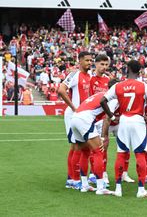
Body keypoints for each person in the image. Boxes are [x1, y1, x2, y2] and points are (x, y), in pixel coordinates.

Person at [100, 60, 147, 198]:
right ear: (139, 71)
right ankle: (141, 189)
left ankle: (118, 189)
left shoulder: (118, 86)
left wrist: (112, 117)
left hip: (124, 120)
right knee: (140, 154)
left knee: (121, 153)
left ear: (127, 69)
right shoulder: (143, 86)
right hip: (138, 121)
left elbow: (103, 100)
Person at [57, 51, 91, 189]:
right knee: (78, 146)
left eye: (91, 60)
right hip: (73, 115)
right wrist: (74, 107)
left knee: (76, 146)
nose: (89, 63)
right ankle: (75, 179)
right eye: (87, 60)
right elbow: (61, 90)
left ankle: (71, 178)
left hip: (83, 115)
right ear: (80, 61)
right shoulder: (74, 74)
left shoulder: (89, 76)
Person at [70, 92, 114, 195]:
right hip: (85, 119)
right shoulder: (112, 98)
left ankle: (84, 185)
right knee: (99, 151)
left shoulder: (101, 93)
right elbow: (107, 118)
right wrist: (103, 137)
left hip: (75, 117)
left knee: (85, 152)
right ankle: (100, 187)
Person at [87, 54, 110, 185]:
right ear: (95, 64)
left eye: (106, 65)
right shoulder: (90, 79)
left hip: (102, 118)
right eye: (102, 64)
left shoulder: (108, 80)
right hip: (90, 117)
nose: (104, 67)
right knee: (91, 147)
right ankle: (92, 173)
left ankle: (103, 173)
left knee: (104, 146)